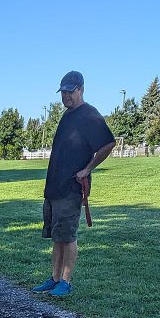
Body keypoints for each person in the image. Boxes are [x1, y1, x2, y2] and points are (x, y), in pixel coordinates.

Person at [32, 71, 116, 297]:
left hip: (71, 187)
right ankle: (54, 278)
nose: (66, 96)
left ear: (81, 89)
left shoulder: (90, 115)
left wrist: (87, 169)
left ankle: (66, 282)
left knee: (68, 236)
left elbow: (108, 144)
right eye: (63, 92)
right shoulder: (66, 116)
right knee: (56, 236)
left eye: (70, 91)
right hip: (54, 187)